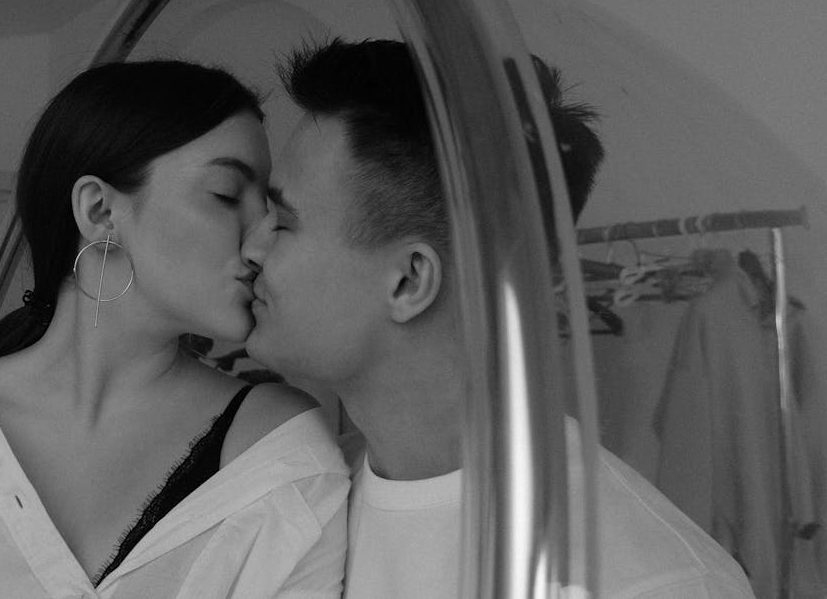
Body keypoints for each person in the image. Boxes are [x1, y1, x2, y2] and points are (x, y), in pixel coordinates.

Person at [241, 38, 756, 597]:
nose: (250, 247)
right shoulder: (299, 503)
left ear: (410, 280)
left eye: (283, 222)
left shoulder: (648, 581)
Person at [0, 59, 349, 598]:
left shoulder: (277, 452)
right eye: (226, 194)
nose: (262, 236)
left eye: (268, 207)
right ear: (99, 211)